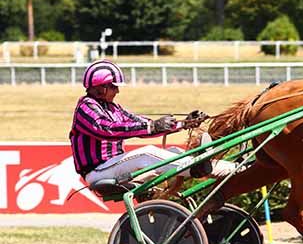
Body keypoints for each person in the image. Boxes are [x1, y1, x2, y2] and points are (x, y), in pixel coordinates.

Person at [70, 59, 235, 186]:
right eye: (114, 87)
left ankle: (231, 169)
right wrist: (151, 126)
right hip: (97, 171)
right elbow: (107, 129)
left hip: (113, 165)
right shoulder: (86, 106)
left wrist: (183, 124)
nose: (118, 90)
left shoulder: (113, 107)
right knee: (146, 153)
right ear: (101, 87)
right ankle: (197, 167)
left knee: (174, 151)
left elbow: (139, 122)